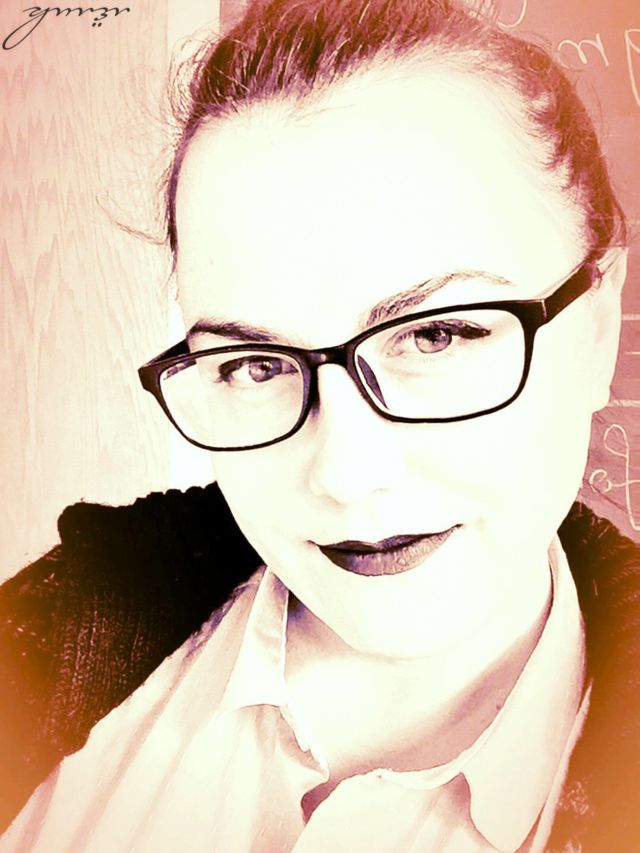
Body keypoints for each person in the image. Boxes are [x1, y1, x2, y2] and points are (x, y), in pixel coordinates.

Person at [1, 0, 639, 849]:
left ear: (597, 325)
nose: (345, 471)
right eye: (255, 365)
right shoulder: (48, 638)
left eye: (436, 335)